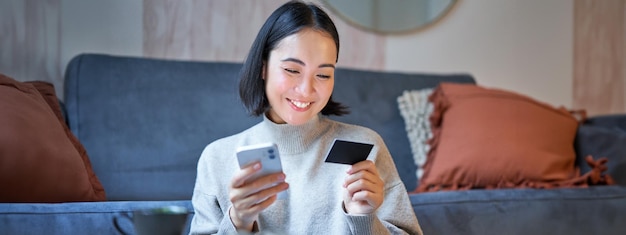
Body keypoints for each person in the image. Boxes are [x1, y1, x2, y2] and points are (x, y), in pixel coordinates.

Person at [189, 1, 423, 234]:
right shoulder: (217, 159)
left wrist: (364, 220)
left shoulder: (366, 147)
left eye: (323, 74)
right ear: (263, 67)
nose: (306, 90)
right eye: (292, 70)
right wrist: (238, 222)